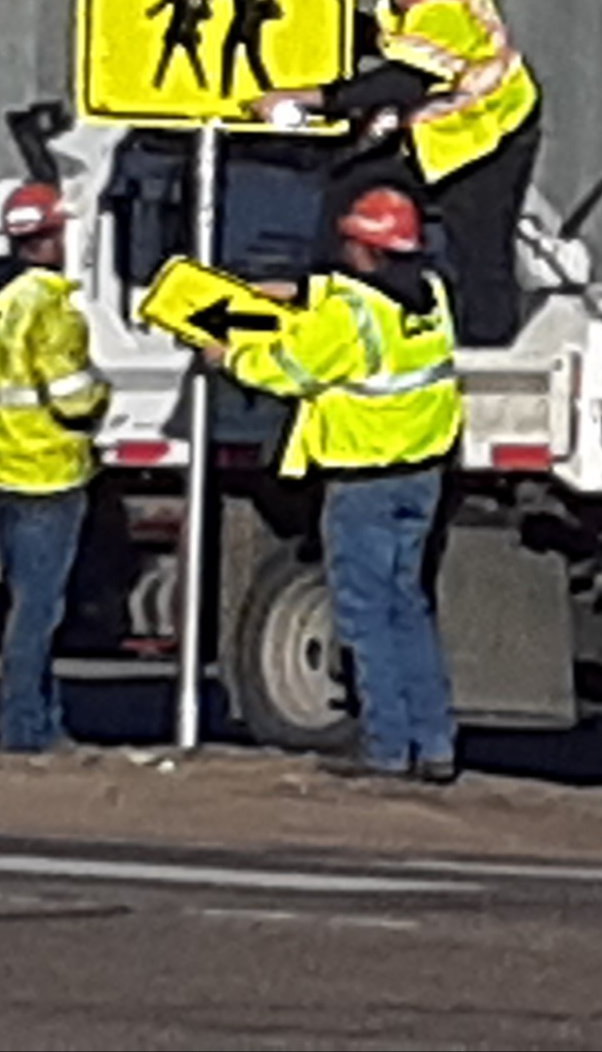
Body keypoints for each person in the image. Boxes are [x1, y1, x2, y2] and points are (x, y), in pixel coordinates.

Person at [206, 187, 463, 784]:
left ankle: (386, 749)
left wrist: (228, 354)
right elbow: (338, 296)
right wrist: (276, 291)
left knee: (366, 619)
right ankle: (434, 744)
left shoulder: (348, 314)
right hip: (420, 476)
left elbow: (291, 368)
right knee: (408, 610)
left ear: (364, 248)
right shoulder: (432, 296)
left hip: (363, 481)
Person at [255, 0, 541, 348]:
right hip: (457, 129)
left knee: (479, 243)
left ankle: (485, 344)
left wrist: (308, 98)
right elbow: (391, 38)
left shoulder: (443, 18)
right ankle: (343, 296)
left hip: (488, 139)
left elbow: (398, 83)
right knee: (349, 187)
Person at [0, 181, 111, 754]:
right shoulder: (47, 305)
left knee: (27, 603)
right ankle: (25, 730)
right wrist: (101, 399)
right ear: (51, 236)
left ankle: (39, 723)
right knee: (38, 612)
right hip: (47, 471)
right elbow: (74, 396)